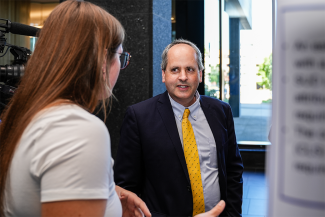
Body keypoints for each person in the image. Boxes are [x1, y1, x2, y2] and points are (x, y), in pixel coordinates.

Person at [0, 1, 150, 216]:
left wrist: (108, 195)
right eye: (121, 56)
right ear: (100, 59)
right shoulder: (77, 130)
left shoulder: (27, 114)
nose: (121, 65)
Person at [114, 39, 244, 216]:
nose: (183, 76)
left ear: (200, 74)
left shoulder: (221, 111)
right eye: (175, 69)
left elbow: (233, 170)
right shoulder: (139, 117)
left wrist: (233, 214)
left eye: (190, 69)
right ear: (164, 75)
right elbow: (126, 186)